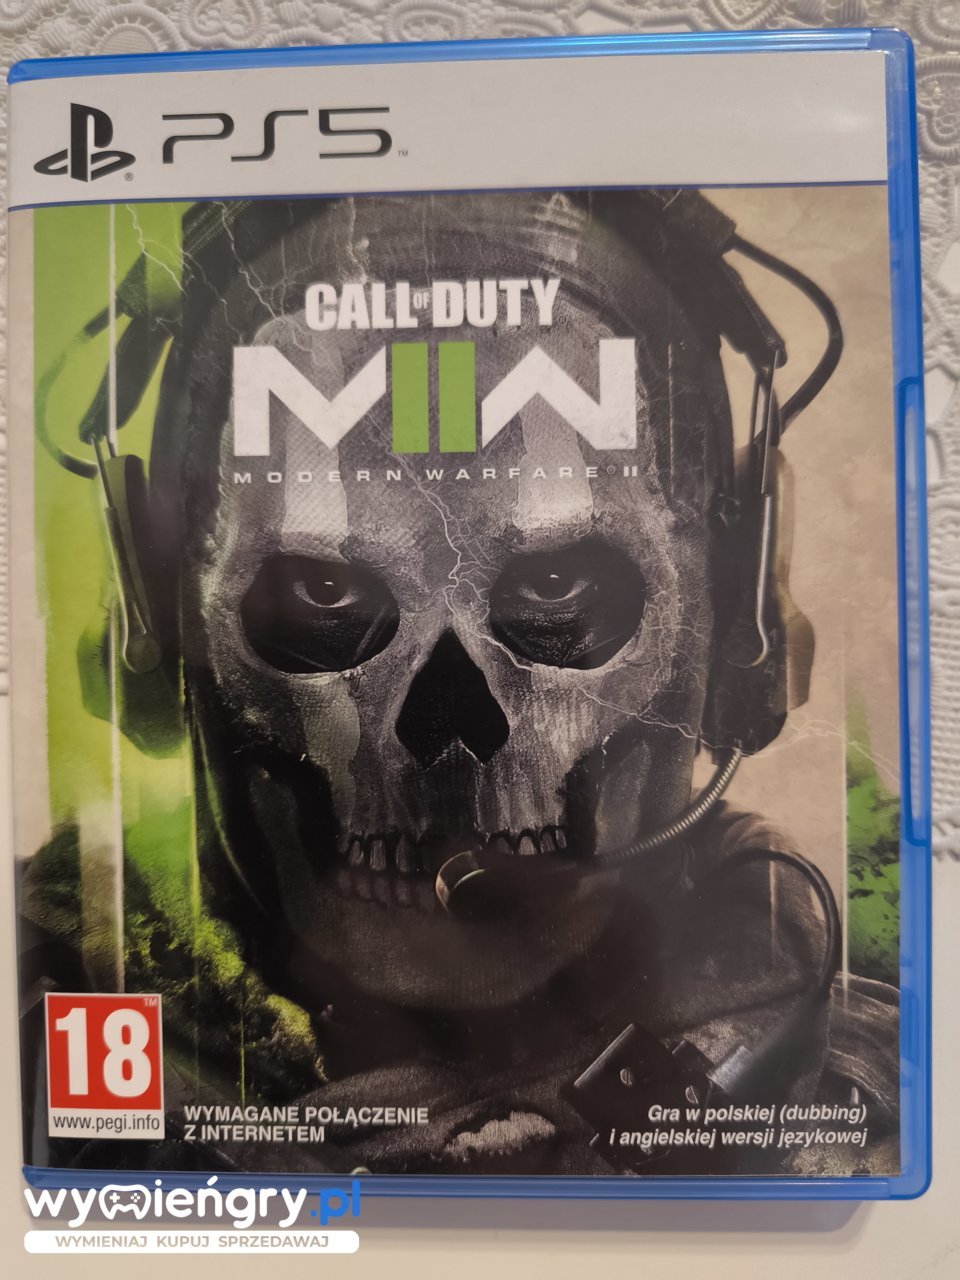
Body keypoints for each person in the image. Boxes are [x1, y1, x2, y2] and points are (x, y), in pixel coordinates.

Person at [20, 189, 899, 1177]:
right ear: (150, 617)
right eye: (322, 589)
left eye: (557, 585)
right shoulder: (35, 1014)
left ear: (741, 617)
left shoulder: (884, 1066)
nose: (448, 731)